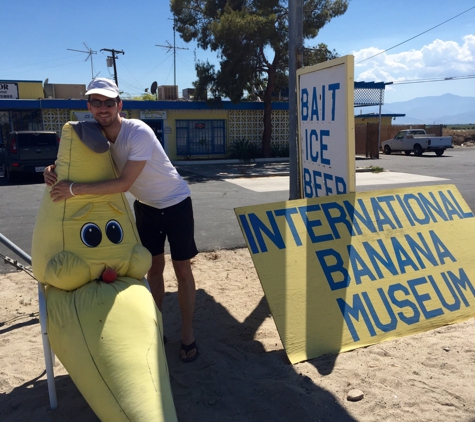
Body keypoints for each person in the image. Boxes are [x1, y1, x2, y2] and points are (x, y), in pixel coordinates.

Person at [44, 78, 199, 362]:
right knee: (152, 270)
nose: (103, 108)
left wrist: (73, 190)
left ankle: (187, 333)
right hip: (146, 208)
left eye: (109, 102)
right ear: (89, 106)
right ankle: (157, 327)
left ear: (119, 105)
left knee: (182, 271)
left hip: (176, 202)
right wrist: (53, 169)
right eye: (96, 102)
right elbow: (74, 157)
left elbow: (124, 183)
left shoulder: (138, 131)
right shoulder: (93, 135)